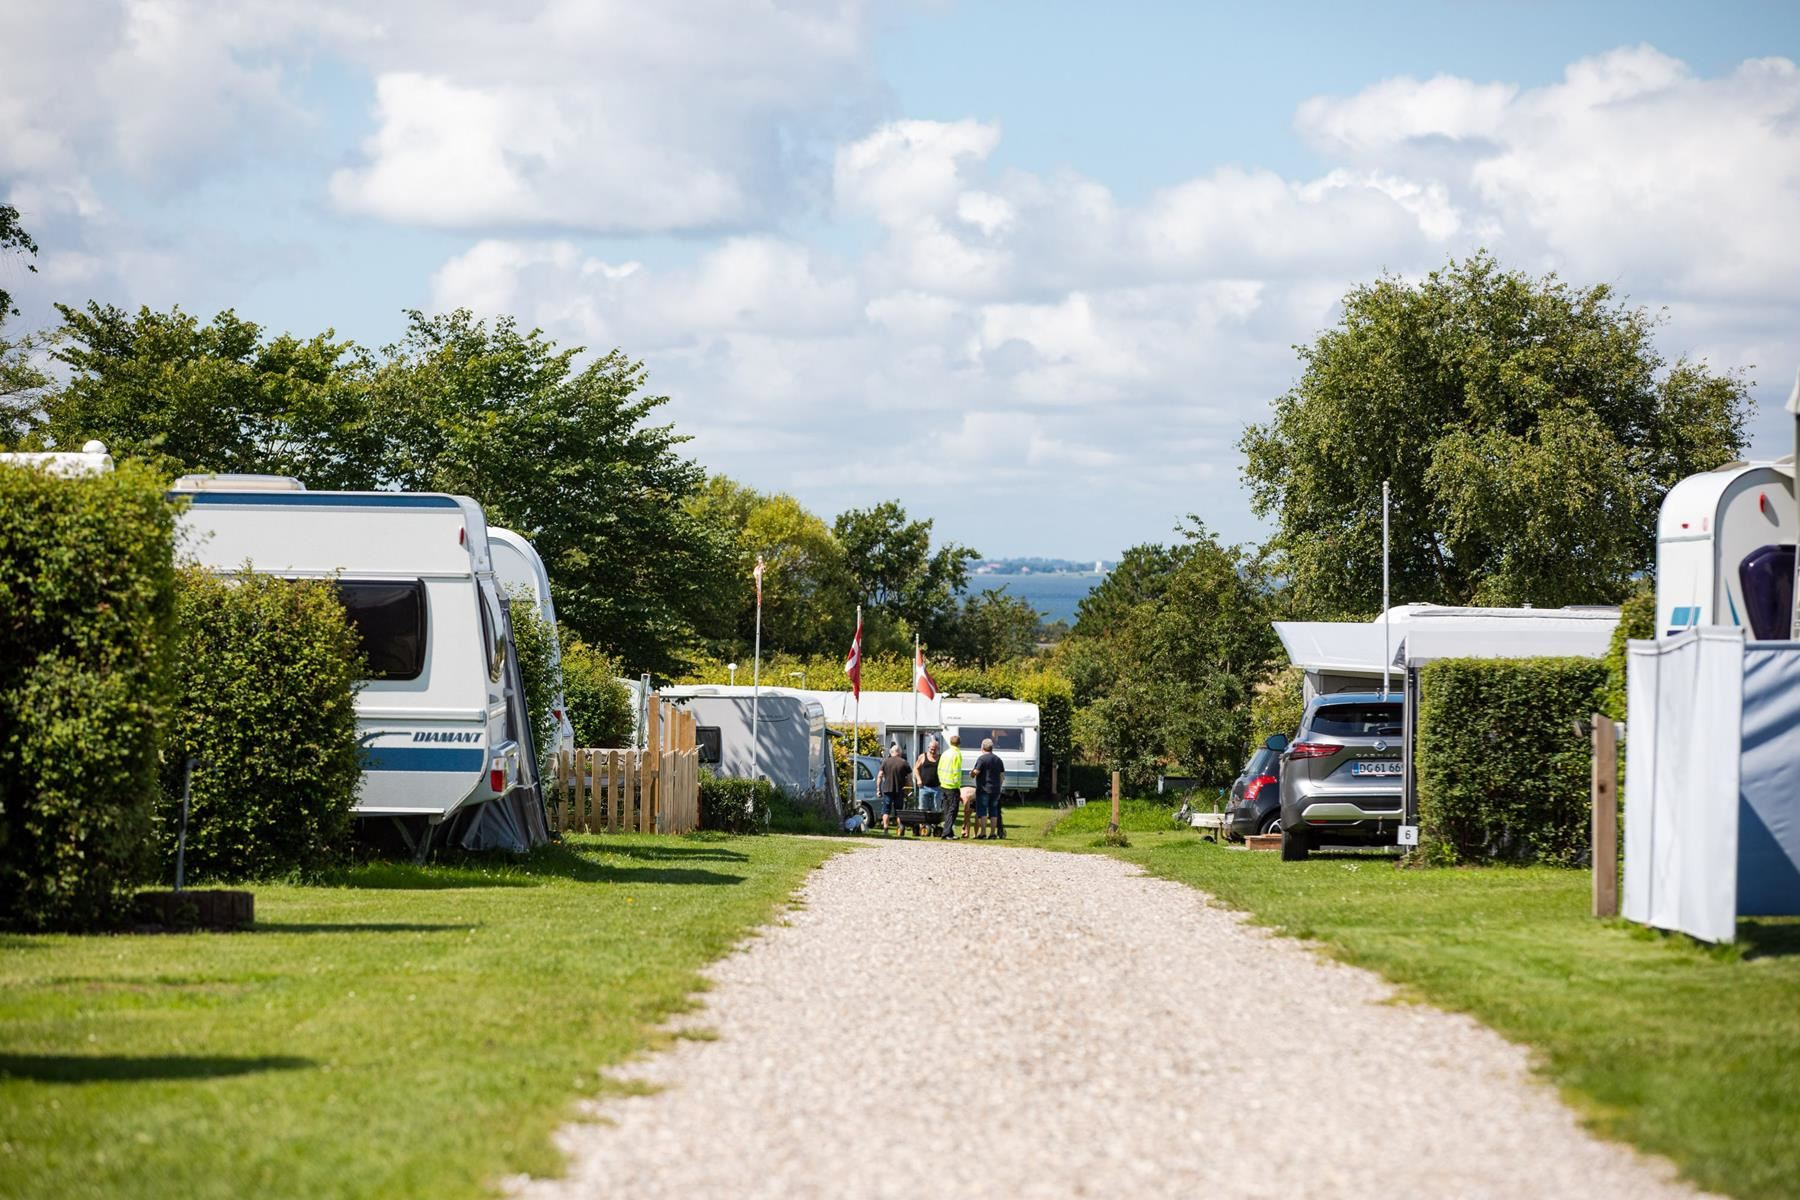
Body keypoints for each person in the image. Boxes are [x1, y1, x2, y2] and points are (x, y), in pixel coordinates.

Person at [971, 737, 1005, 840]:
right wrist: (999, 787)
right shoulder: (998, 759)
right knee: (994, 812)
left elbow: (976, 772)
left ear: (982, 747)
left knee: (982, 812)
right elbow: (1002, 776)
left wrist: (971, 773)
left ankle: (983, 833)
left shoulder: (982, 759)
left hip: (983, 789)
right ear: (991, 748)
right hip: (995, 789)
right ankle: (993, 834)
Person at [877, 741, 912, 835]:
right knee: (899, 811)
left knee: (886, 811)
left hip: (887, 789)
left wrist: (878, 789)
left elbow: (880, 775)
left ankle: (885, 829)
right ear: (899, 752)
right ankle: (900, 828)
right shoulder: (904, 762)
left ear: (891, 752)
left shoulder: (885, 762)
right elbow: (909, 778)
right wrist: (909, 790)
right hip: (900, 790)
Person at [937, 733, 965, 839]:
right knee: (953, 810)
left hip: (943, 785)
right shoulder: (957, 754)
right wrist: (958, 785)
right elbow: (956, 771)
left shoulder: (945, 753)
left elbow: (939, 768)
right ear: (959, 743)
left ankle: (949, 832)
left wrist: (941, 781)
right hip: (952, 786)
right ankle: (946, 833)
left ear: (950, 742)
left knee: (947, 810)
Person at [915, 738, 943, 831]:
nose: (933, 751)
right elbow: (916, 768)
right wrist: (918, 780)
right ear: (928, 748)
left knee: (936, 808)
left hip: (937, 787)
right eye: (931, 749)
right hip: (924, 787)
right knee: (923, 808)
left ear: (938, 749)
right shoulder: (922, 756)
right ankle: (922, 826)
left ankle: (933, 826)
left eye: (935, 749)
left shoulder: (940, 758)